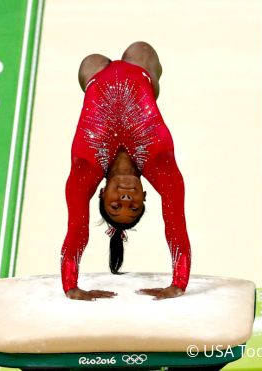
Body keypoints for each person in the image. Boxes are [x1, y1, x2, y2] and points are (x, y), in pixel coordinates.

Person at [61, 41, 190, 301]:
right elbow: (176, 225)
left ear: (100, 194)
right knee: (141, 50)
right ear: (145, 195)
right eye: (134, 207)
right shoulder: (161, 165)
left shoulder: (84, 169)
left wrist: (71, 286)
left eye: (114, 207)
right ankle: (144, 75)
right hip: (140, 70)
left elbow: (76, 230)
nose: (125, 201)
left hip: (94, 77)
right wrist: (178, 283)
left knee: (90, 61)